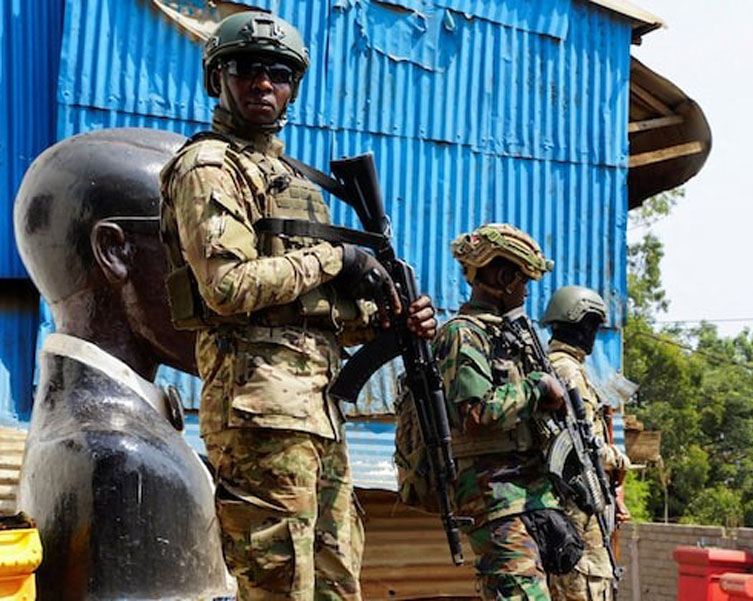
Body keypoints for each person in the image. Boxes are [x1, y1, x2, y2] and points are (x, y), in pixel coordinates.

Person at [158, 11, 436, 600]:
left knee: (338, 584)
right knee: (280, 588)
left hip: (318, 408)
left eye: (280, 74)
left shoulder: (293, 179)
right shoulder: (209, 168)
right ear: (218, 80)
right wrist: (335, 260)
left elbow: (313, 317)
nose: (265, 84)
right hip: (257, 411)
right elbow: (228, 288)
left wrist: (386, 322)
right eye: (248, 70)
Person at [13, 128, 229, 600]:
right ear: (114, 251)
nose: (226, 285)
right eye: (201, 250)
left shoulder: (89, 430)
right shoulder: (121, 457)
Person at [433, 223, 584, 600]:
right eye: (523, 282)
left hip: (527, 492)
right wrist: (538, 389)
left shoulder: (509, 336)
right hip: (494, 494)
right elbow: (476, 412)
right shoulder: (462, 334)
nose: (527, 292)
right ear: (502, 277)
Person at [541, 286, 631, 601]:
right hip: (575, 507)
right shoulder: (567, 371)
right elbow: (579, 446)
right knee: (585, 586)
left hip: (577, 504)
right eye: (591, 324)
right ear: (577, 324)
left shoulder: (562, 367)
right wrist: (618, 459)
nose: (594, 333)